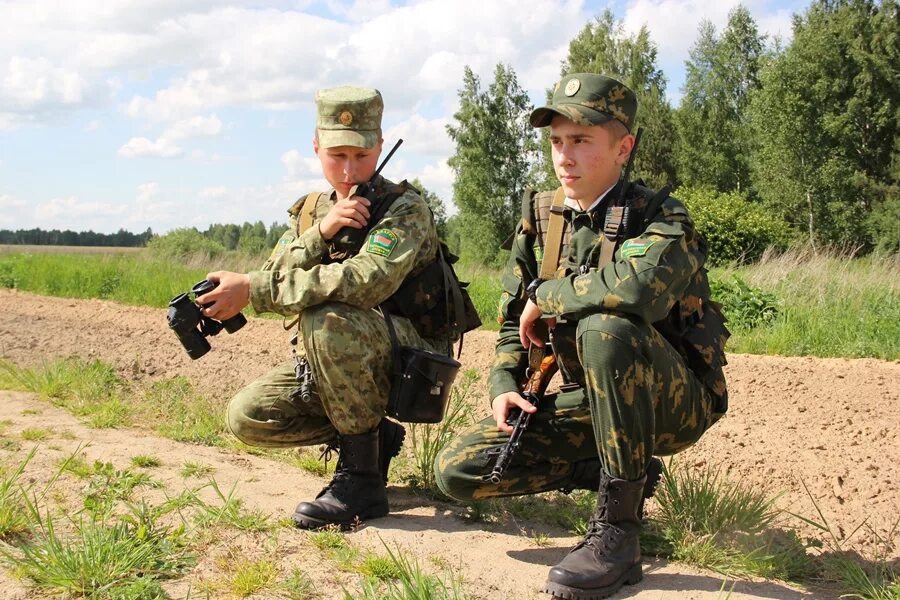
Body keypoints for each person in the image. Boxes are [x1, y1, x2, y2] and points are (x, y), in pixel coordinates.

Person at [434, 73, 729, 599]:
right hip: (585, 401)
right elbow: (510, 324)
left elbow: (636, 290)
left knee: (606, 325)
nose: (564, 157)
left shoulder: (661, 217)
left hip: (669, 402)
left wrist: (546, 298)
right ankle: (610, 467)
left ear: (624, 147)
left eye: (582, 141)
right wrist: (504, 381)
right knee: (459, 471)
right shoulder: (542, 218)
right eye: (557, 142)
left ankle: (618, 533)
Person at [194, 85, 448, 530]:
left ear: (381, 145)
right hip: (337, 364)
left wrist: (253, 289)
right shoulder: (311, 211)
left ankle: (361, 482)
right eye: (336, 156)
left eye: (361, 155)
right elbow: (276, 270)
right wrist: (320, 234)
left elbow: (366, 281)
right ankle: (372, 438)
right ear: (315, 147)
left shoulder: (404, 209)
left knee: (326, 315)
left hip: (409, 361)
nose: (349, 170)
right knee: (248, 416)